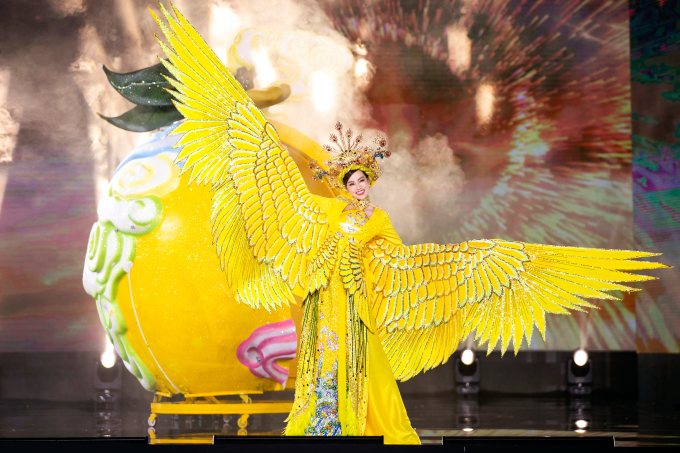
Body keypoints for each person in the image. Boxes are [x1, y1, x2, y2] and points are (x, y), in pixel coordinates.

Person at [150, 4, 666, 444]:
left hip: (359, 307)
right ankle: (320, 425)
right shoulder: (318, 211)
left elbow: (394, 261)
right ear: (341, 183)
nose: (356, 189)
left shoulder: (377, 220)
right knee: (319, 375)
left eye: (361, 183)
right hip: (320, 306)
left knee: (484, 266)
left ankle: (362, 425)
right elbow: (296, 235)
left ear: (366, 184)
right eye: (349, 182)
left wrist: (373, 258)